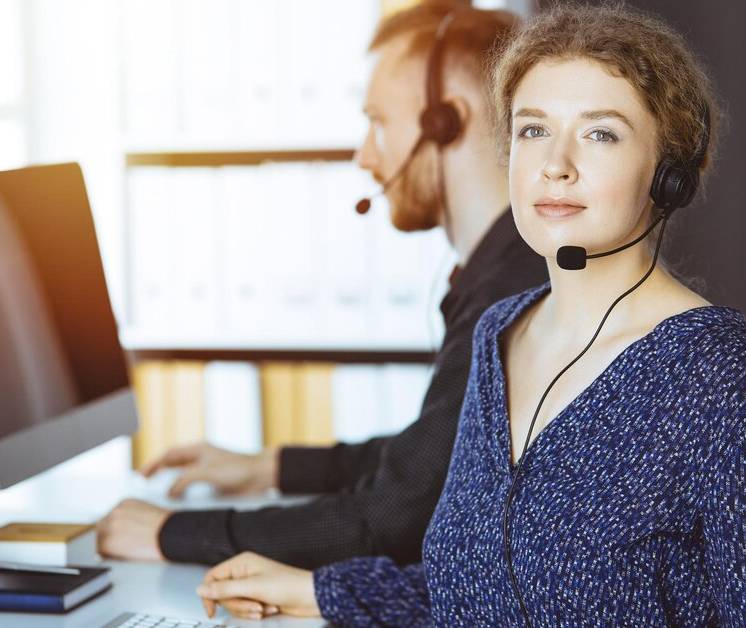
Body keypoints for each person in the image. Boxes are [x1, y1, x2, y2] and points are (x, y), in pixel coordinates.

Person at [194, 4, 746, 625]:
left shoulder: (717, 374)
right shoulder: (499, 333)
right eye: (533, 130)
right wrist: (320, 592)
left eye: (600, 133)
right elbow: (474, 586)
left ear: (667, 174)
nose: (555, 164)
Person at [96, 0, 548, 576]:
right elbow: (429, 457)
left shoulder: (510, 295)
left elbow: (387, 520)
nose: (364, 154)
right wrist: (272, 467)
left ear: (445, 123)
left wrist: (172, 532)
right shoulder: (507, 267)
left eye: (378, 122)